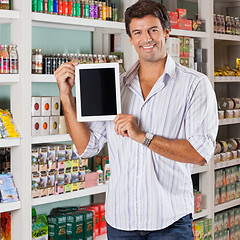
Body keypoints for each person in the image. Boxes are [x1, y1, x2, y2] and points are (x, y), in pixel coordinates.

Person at [54, 0, 218, 239]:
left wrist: (143, 137)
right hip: (121, 221)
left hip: (170, 221)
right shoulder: (115, 86)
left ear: (167, 32)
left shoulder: (194, 85)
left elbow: (199, 153)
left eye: (153, 30)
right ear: (131, 39)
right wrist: (66, 96)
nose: (146, 39)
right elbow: (86, 146)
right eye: (138, 32)